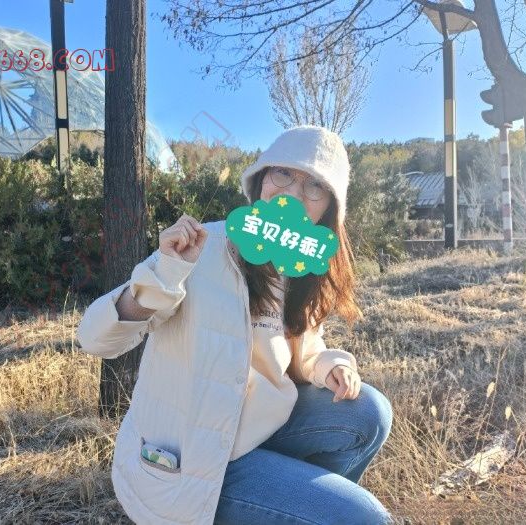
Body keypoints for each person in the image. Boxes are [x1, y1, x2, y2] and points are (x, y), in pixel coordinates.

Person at [76, 125, 393, 525]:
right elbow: (95, 338)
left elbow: (305, 349)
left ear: (329, 209)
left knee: (369, 412)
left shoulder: (298, 266)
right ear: (261, 180)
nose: (294, 194)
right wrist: (165, 275)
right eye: (284, 173)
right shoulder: (200, 248)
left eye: (315, 185)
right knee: (362, 518)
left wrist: (330, 365)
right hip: (190, 463)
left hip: (253, 433)